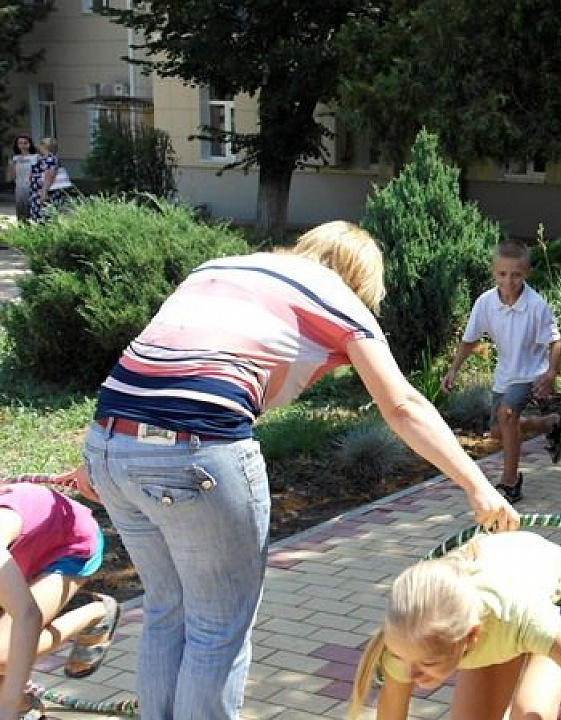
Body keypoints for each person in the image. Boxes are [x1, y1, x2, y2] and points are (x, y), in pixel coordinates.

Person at [79, 221, 520, 720]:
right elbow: (402, 406)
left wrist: (100, 457)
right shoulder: (337, 294)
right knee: (216, 629)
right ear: (359, 280)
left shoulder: (219, 268)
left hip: (109, 441)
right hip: (196, 452)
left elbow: (156, 360)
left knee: (166, 611)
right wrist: (477, 485)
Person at [348, 531, 561, 720]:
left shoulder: (520, 619)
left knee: (530, 712)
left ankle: (557, 711)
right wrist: (414, 658)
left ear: (470, 637)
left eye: (428, 662)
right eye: (403, 659)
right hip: (501, 606)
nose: (411, 674)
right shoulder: (407, 639)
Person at [442, 239, 561, 504]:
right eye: (502, 274)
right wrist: (453, 370)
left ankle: (510, 483)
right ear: (493, 271)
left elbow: (556, 340)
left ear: (526, 273)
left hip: (531, 374)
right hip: (505, 375)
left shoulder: (536, 305)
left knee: (507, 414)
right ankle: (550, 424)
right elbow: (470, 339)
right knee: (499, 431)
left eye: (516, 275)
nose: (509, 281)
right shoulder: (485, 303)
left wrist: (551, 373)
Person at [0, 470, 120, 720]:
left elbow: (26, 615)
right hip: (21, 553)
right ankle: (25, 706)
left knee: (3, 653)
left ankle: (94, 611)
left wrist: (7, 706)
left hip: (66, 545)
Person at [28, 138, 71, 223]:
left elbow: (50, 175)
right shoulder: (41, 158)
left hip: (45, 191)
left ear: (45, 146)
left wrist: (44, 192)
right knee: (39, 215)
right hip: (37, 191)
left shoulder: (50, 159)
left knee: (44, 215)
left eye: (40, 145)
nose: (38, 147)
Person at [7, 135, 39, 222]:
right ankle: (23, 230)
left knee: (32, 210)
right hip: (19, 187)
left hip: (33, 187)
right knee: (21, 211)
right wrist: (11, 165)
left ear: (30, 144)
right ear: (17, 145)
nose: (23, 145)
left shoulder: (35, 157)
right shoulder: (15, 158)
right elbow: (11, 176)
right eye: (20, 143)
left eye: (25, 143)